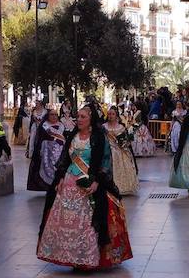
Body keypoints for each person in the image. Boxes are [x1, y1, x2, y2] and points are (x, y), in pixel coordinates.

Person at [37, 106, 132, 269]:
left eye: (82, 117)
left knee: (89, 222)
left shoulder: (99, 138)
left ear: (91, 120)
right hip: (69, 184)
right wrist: (60, 178)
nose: (78, 119)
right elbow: (65, 159)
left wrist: (96, 182)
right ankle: (72, 257)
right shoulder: (72, 136)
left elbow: (105, 162)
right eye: (78, 117)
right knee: (68, 222)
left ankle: (88, 257)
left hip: (90, 184)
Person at [26, 109, 66, 192]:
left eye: (56, 114)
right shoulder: (44, 126)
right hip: (47, 153)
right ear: (48, 116)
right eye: (52, 114)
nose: (54, 116)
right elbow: (39, 139)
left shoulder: (61, 125)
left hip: (60, 153)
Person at [104, 106, 140, 196]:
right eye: (109, 114)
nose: (110, 116)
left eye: (112, 114)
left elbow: (126, 140)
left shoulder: (121, 127)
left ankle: (121, 187)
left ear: (116, 116)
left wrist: (124, 144)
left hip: (119, 150)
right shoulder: (103, 127)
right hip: (107, 151)